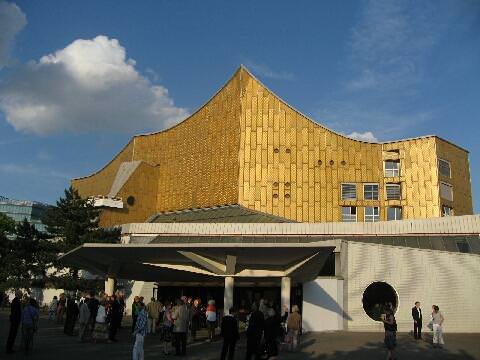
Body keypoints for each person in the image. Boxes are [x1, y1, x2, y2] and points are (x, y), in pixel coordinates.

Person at [5, 290, 22, 354]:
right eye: (21, 294)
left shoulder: (16, 301)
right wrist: (16, 320)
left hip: (14, 320)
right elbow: (15, 312)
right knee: (12, 335)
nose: (22, 295)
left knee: (12, 335)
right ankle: (9, 348)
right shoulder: (16, 301)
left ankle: (9, 348)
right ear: (18, 294)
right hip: (15, 321)